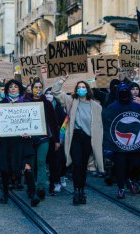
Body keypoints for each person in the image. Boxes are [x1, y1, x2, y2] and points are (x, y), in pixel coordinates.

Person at [52, 76, 104, 205]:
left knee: (83, 166)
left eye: (83, 87)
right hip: (75, 137)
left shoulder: (96, 106)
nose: (81, 89)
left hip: (88, 139)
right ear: (76, 90)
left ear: (87, 89)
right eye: (79, 87)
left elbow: (99, 125)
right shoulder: (71, 101)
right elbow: (55, 92)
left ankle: (81, 190)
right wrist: (61, 81)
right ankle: (76, 191)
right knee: (77, 164)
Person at [0, 79, 40, 206]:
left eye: (15, 87)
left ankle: (32, 193)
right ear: (8, 90)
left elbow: (34, 121)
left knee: (27, 167)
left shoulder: (26, 103)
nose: (13, 89)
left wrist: (30, 131)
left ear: (19, 89)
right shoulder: (2, 104)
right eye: (11, 87)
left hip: (23, 142)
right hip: (7, 143)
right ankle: (5, 194)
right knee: (6, 170)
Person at [107, 83, 140, 199]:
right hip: (119, 143)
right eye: (122, 91)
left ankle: (131, 179)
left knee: (135, 164)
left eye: (126, 91)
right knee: (120, 165)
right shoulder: (112, 107)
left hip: (134, 142)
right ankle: (121, 187)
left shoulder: (136, 106)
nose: (124, 94)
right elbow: (107, 122)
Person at [26, 79, 60, 200]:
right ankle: (30, 187)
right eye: (36, 87)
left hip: (43, 138)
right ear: (32, 88)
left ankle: (41, 187)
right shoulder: (25, 101)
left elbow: (54, 122)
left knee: (41, 162)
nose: (38, 90)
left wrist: (56, 140)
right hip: (28, 139)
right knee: (29, 164)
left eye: (40, 88)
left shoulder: (47, 103)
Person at [44, 87, 67, 194]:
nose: (49, 95)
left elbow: (64, 123)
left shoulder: (59, 107)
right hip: (44, 137)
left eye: (51, 93)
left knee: (56, 161)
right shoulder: (41, 105)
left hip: (56, 138)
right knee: (46, 161)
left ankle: (56, 181)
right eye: (47, 93)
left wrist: (60, 139)